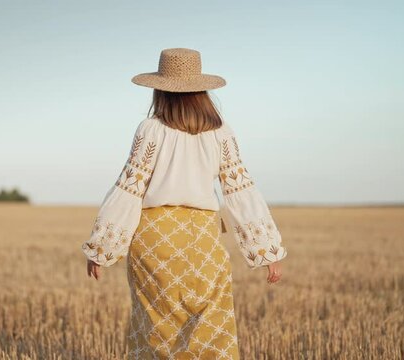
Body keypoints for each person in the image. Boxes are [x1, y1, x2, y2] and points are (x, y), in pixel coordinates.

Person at [81, 48, 287, 360]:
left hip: (153, 240)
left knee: (156, 328)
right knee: (211, 325)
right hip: (202, 238)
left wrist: (102, 248)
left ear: (160, 90)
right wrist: (266, 249)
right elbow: (240, 189)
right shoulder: (221, 132)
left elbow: (129, 188)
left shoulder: (150, 129)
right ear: (202, 90)